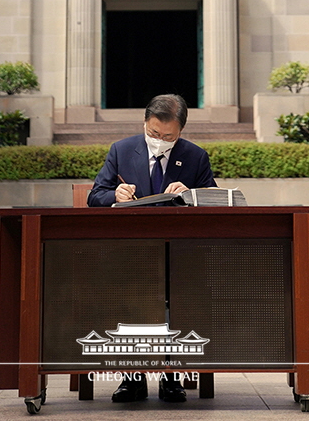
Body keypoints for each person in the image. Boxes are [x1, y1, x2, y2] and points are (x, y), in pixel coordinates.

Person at [88, 93, 216, 403]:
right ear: (145, 123)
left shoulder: (195, 156)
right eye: (154, 133)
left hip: (179, 255)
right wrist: (114, 194)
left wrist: (191, 193)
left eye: (168, 136)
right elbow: (96, 195)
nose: (159, 140)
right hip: (131, 252)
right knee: (128, 299)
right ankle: (132, 380)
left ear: (181, 131)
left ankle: (171, 379)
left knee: (178, 300)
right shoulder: (121, 150)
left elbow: (213, 200)